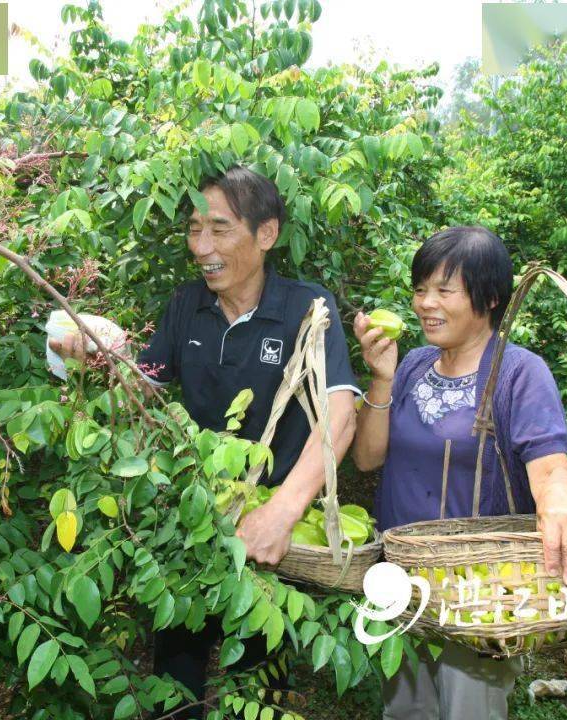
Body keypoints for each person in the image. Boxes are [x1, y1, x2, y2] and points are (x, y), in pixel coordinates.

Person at [50, 165, 360, 719]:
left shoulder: (306, 309)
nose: (202, 246)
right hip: (188, 530)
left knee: (258, 685)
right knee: (175, 681)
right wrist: (95, 354)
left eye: (219, 229)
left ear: (266, 234)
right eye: (195, 229)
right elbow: (141, 389)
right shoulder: (185, 306)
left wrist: (284, 511)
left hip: (267, 542)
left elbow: (339, 412)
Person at [350, 226, 567, 720]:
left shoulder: (518, 373)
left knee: (470, 710)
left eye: (445, 290)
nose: (426, 303)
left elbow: (549, 464)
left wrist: (564, 502)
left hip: (478, 587)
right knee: (403, 709)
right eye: (420, 288)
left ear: (488, 297)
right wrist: (382, 377)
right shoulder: (413, 365)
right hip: (399, 573)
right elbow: (367, 459)